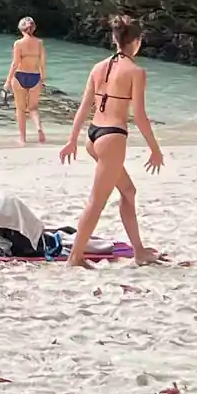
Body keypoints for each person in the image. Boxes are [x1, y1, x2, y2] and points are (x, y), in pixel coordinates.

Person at [60, 14, 164, 265]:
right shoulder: (136, 72)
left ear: (115, 39)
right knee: (97, 202)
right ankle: (75, 257)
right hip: (112, 139)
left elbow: (84, 107)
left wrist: (72, 140)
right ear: (136, 42)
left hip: (93, 135)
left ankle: (138, 252)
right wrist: (155, 149)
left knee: (128, 191)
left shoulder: (98, 67)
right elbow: (139, 116)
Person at [2, 16, 48, 145]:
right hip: (35, 76)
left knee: (20, 109)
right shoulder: (39, 43)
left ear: (21, 29)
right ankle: (38, 128)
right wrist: (43, 77)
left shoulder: (18, 43)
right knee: (33, 108)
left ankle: (22, 138)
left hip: (20, 76)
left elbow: (15, 63)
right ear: (33, 28)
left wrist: (8, 80)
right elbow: (43, 62)